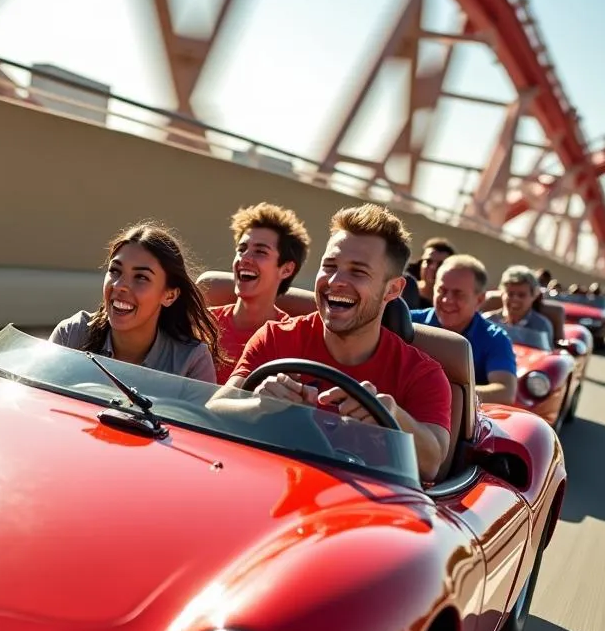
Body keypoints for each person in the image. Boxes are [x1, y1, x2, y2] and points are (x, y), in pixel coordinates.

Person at [223, 203, 453, 484]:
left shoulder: (422, 373)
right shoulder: (275, 337)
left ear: (392, 289)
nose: (335, 281)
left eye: (358, 272)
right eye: (329, 266)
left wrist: (391, 418)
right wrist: (258, 404)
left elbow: (432, 465)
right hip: (269, 489)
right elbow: (217, 408)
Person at [49, 222, 220, 383]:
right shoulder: (72, 334)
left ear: (170, 296)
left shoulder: (191, 360)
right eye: (115, 271)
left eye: (141, 277)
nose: (119, 286)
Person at [199, 203, 310, 382]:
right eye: (242, 250)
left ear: (286, 269)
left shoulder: (291, 337)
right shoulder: (202, 325)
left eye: (260, 251)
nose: (245, 258)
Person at [410, 254, 517, 405]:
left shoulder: (494, 338)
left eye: (458, 293)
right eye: (442, 290)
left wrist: (442, 393)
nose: (447, 300)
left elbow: (505, 392)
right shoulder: (408, 321)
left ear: (479, 300)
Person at [485, 265, 554, 340]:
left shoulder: (541, 326)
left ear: (533, 296)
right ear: (502, 294)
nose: (515, 299)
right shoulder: (487, 321)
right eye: (510, 294)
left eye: (521, 295)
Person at [406, 237, 455, 308]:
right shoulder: (403, 289)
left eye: (440, 264)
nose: (433, 267)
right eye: (428, 261)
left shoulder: (449, 305)